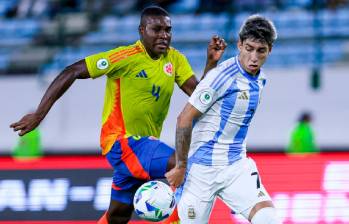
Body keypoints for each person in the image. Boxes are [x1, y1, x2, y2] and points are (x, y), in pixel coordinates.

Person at [10, 5, 226, 224]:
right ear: (141, 31)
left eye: (168, 30)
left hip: (142, 150)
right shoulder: (125, 57)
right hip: (121, 142)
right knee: (184, 165)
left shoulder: (175, 59)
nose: (164, 35)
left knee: (117, 216)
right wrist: (39, 114)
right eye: (157, 29)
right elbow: (72, 71)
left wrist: (211, 63)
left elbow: (199, 97)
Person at [166, 15, 280, 223]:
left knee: (268, 218)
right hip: (201, 171)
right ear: (239, 45)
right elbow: (184, 118)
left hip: (235, 166)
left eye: (260, 50)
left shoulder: (260, 78)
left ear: (269, 50)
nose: (253, 57)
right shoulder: (224, 76)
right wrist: (181, 166)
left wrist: (209, 64)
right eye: (249, 48)